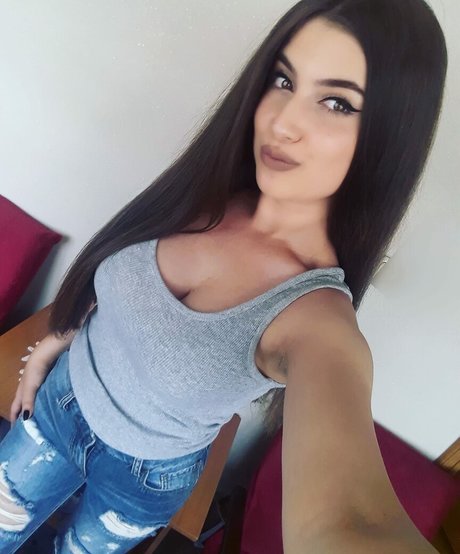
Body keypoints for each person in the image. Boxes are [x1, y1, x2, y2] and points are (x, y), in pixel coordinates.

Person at [0, 0, 448, 552]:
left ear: (388, 136)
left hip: (143, 479)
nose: (282, 122)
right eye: (283, 80)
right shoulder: (205, 191)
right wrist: (53, 342)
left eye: (336, 102)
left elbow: (351, 521)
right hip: (59, 400)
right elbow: (119, 295)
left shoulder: (314, 318)